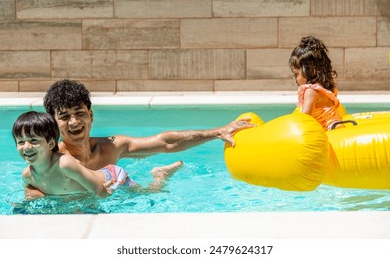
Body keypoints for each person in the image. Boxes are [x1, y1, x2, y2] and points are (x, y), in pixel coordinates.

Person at [24, 79, 253, 199]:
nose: (74, 122)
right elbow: (32, 187)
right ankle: (160, 175)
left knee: (153, 194)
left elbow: (165, 142)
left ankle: (159, 176)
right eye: (64, 117)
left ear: (90, 114)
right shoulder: (52, 159)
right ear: (54, 123)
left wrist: (216, 132)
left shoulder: (112, 146)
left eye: (80, 113)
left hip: (112, 196)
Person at [13, 111, 183, 199]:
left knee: (147, 193)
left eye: (34, 140)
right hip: (97, 183)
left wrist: (103, 195)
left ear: (51, 144)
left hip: (112, 178)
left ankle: (160, 176)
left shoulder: (64, 164)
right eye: (21, 142)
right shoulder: (28, 175)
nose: (26, 147)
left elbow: (98, 189)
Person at [289, 36, 342, 130]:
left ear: (310, 70)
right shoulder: (327, 88)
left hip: (326, 132)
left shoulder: (311, 91)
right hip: (337, 127)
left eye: (296, 74)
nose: (295, 78)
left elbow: (305, 118)